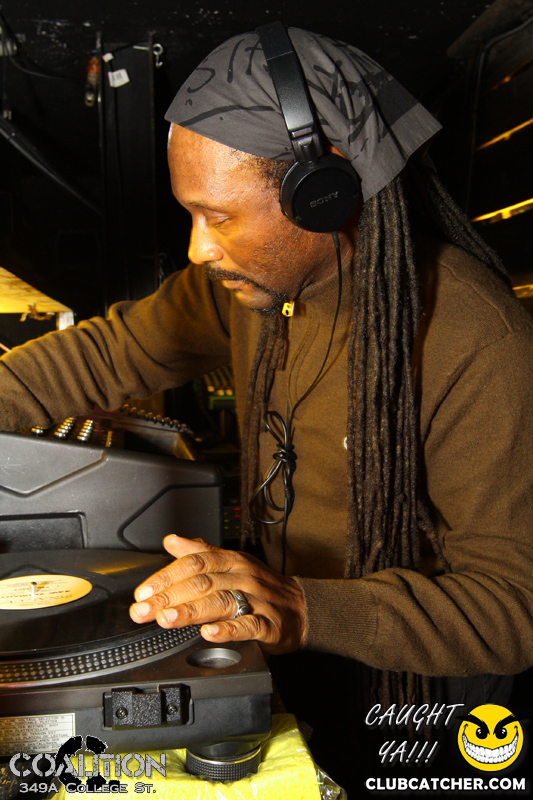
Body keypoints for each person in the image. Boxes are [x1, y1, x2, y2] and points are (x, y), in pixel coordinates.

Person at [1, 25, 533, 793]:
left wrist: (300, 608)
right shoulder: (245, 289)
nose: (198, 249)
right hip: (288, 652)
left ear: (324, 194)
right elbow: (106, 353)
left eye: (218, 216)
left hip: (416, 699)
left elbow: (512, 607)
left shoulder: (477, 341)